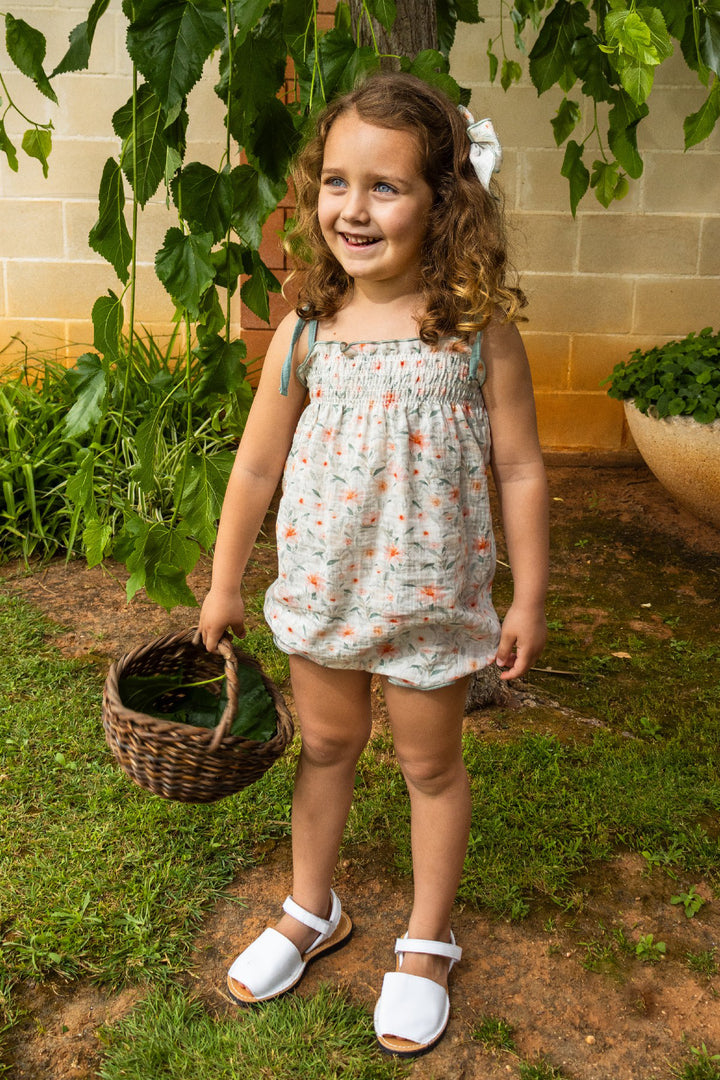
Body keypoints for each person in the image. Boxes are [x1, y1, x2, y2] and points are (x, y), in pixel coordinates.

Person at [197, 71, 548, 1057]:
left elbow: (519, 468)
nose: (353, 208)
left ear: (445, 203)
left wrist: (530, 596)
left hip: (433, 597)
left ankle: (427, 944)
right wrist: (227, 581)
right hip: (325, 586)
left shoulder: (475, 332)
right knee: (325, 748)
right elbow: (258, 459)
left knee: (431, 765)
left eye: (385, 186)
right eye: (337, 182)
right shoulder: (309, 325)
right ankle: (313, 910)